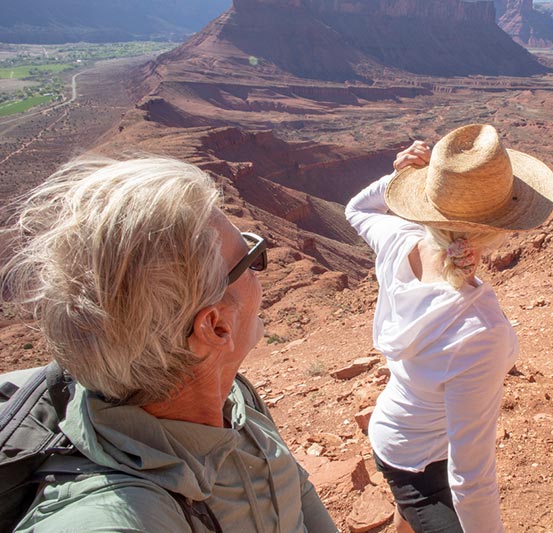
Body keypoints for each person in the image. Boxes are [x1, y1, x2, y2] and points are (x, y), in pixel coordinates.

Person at [0, 156, 338, 532]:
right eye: (251, 259)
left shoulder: (231, 394)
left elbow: (292, 488)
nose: (262, 275)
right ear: (215, 326)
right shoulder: (119, 517)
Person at [345, 124, 553, 533]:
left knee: (407, 517)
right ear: (499, 227)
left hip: (392, 434)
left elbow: (357, 209)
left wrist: (396, 177)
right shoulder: (480, 330)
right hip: (419, 464)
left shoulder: (397, 239)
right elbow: (472, 477)